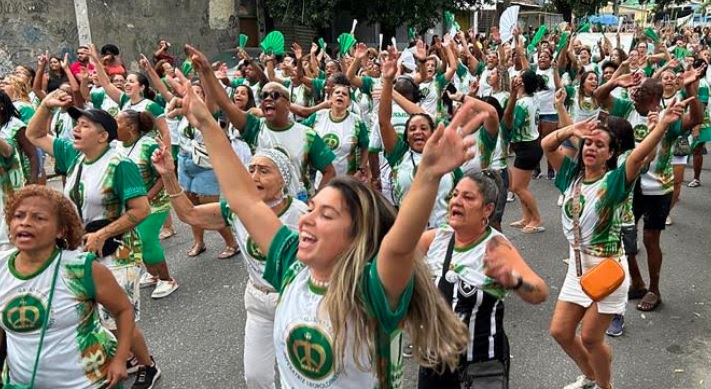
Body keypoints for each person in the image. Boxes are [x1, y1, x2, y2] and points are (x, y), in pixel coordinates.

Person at [171, 59, 492, 386]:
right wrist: (205, 123)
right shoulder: (291, 264)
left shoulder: (372, 289)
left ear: (356, 234)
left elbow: (399, 245)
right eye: (312, 209)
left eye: (326, 215)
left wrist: (428, 175)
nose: (306, 220)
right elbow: (245, 201)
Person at [544, 100, 691, 389]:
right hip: (577, 269)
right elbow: (548, 146)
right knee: (560, 331)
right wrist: (572, 128)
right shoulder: (570, 179)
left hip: (607, 270)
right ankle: (590, 376)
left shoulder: (614, 182)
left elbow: (637, 158)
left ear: (610, 153)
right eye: (588, 143)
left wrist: (662, 124)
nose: (591, 147)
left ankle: (604, 384)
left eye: (600, 145)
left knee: (589, 337)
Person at [26, 91, 162, 389]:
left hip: (118, 251)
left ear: (103, 136)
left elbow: (141, 210)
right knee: (92, 316)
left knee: (118, 316)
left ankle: (148, 366)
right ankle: (120, 356)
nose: (76, 128)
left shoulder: (119, 164)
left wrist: (102, 233)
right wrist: (46, 105)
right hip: (80, 250)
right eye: (77, 124)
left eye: (85, 125)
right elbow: (34, 133)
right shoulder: (74, 154)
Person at [155, 144, 306, 388]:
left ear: (284, 179)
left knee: (301, 378)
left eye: (265, 171)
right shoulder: (237, 210)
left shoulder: (303, 216)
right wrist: (169, 176)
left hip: (295, 304)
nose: (254, 176)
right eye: (251, 169)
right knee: (256, 378)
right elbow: (190, 215)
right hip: (257, 301)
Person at [417, 170, 548, 387]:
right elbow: (396, 257)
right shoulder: (439, 237)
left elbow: (540, 292)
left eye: (468, 198)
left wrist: (514, 282)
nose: (457, 201)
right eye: (455, 195)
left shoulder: (496, 246)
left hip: (479, 367)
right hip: (435, 359)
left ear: (487, 209)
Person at [0, 185, 134, 388]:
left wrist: (120, 359)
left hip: (89, 382)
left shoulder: (81, 268)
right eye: (18, 216)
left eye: (39, 218)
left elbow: (123, 309)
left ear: (60, 230)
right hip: (20, 383)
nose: (25, 223)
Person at [594, 68, 704, 312]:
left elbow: (695, 118)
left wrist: (690, 88)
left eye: (640, 91)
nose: (634, 93)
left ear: (653, 97)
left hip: (657, 188)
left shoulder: (668, 117)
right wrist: (614, 82)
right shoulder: (626, 109)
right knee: (624, 236)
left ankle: (654, 289)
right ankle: (637, 282)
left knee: (650, 240)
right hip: (629, 187)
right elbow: (600, 96)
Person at [188, 45, 337, 200]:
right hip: (262, 208)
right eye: (264, 95)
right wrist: (206, 70)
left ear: (287, 104)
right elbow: (226, 103)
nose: (267, 98)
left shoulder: (308, 135)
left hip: (296, 211)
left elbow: (329, 171)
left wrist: (315, 201)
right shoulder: (254, 127)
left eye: (274, 95)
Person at [116, 110, 178, 299]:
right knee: (136, 241)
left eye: (117, 123)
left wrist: (148, 197)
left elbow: (164, 175)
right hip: (131, 204)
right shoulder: (117, 146)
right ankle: (153, 274)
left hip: (155, 202)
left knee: (146, 239)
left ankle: (167, 279)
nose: (113, 126)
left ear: (131, 127)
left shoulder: (149, 146)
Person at [501, 70, 546, 233]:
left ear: (523, 83)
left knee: (517, 187)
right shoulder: (532, 99)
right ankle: (526, 217)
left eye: (519, 77)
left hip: (527, 147)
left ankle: (536, 218)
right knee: (520, 186)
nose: (515, 78)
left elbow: (512, 126)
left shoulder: (522, 103)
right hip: (530, 145)